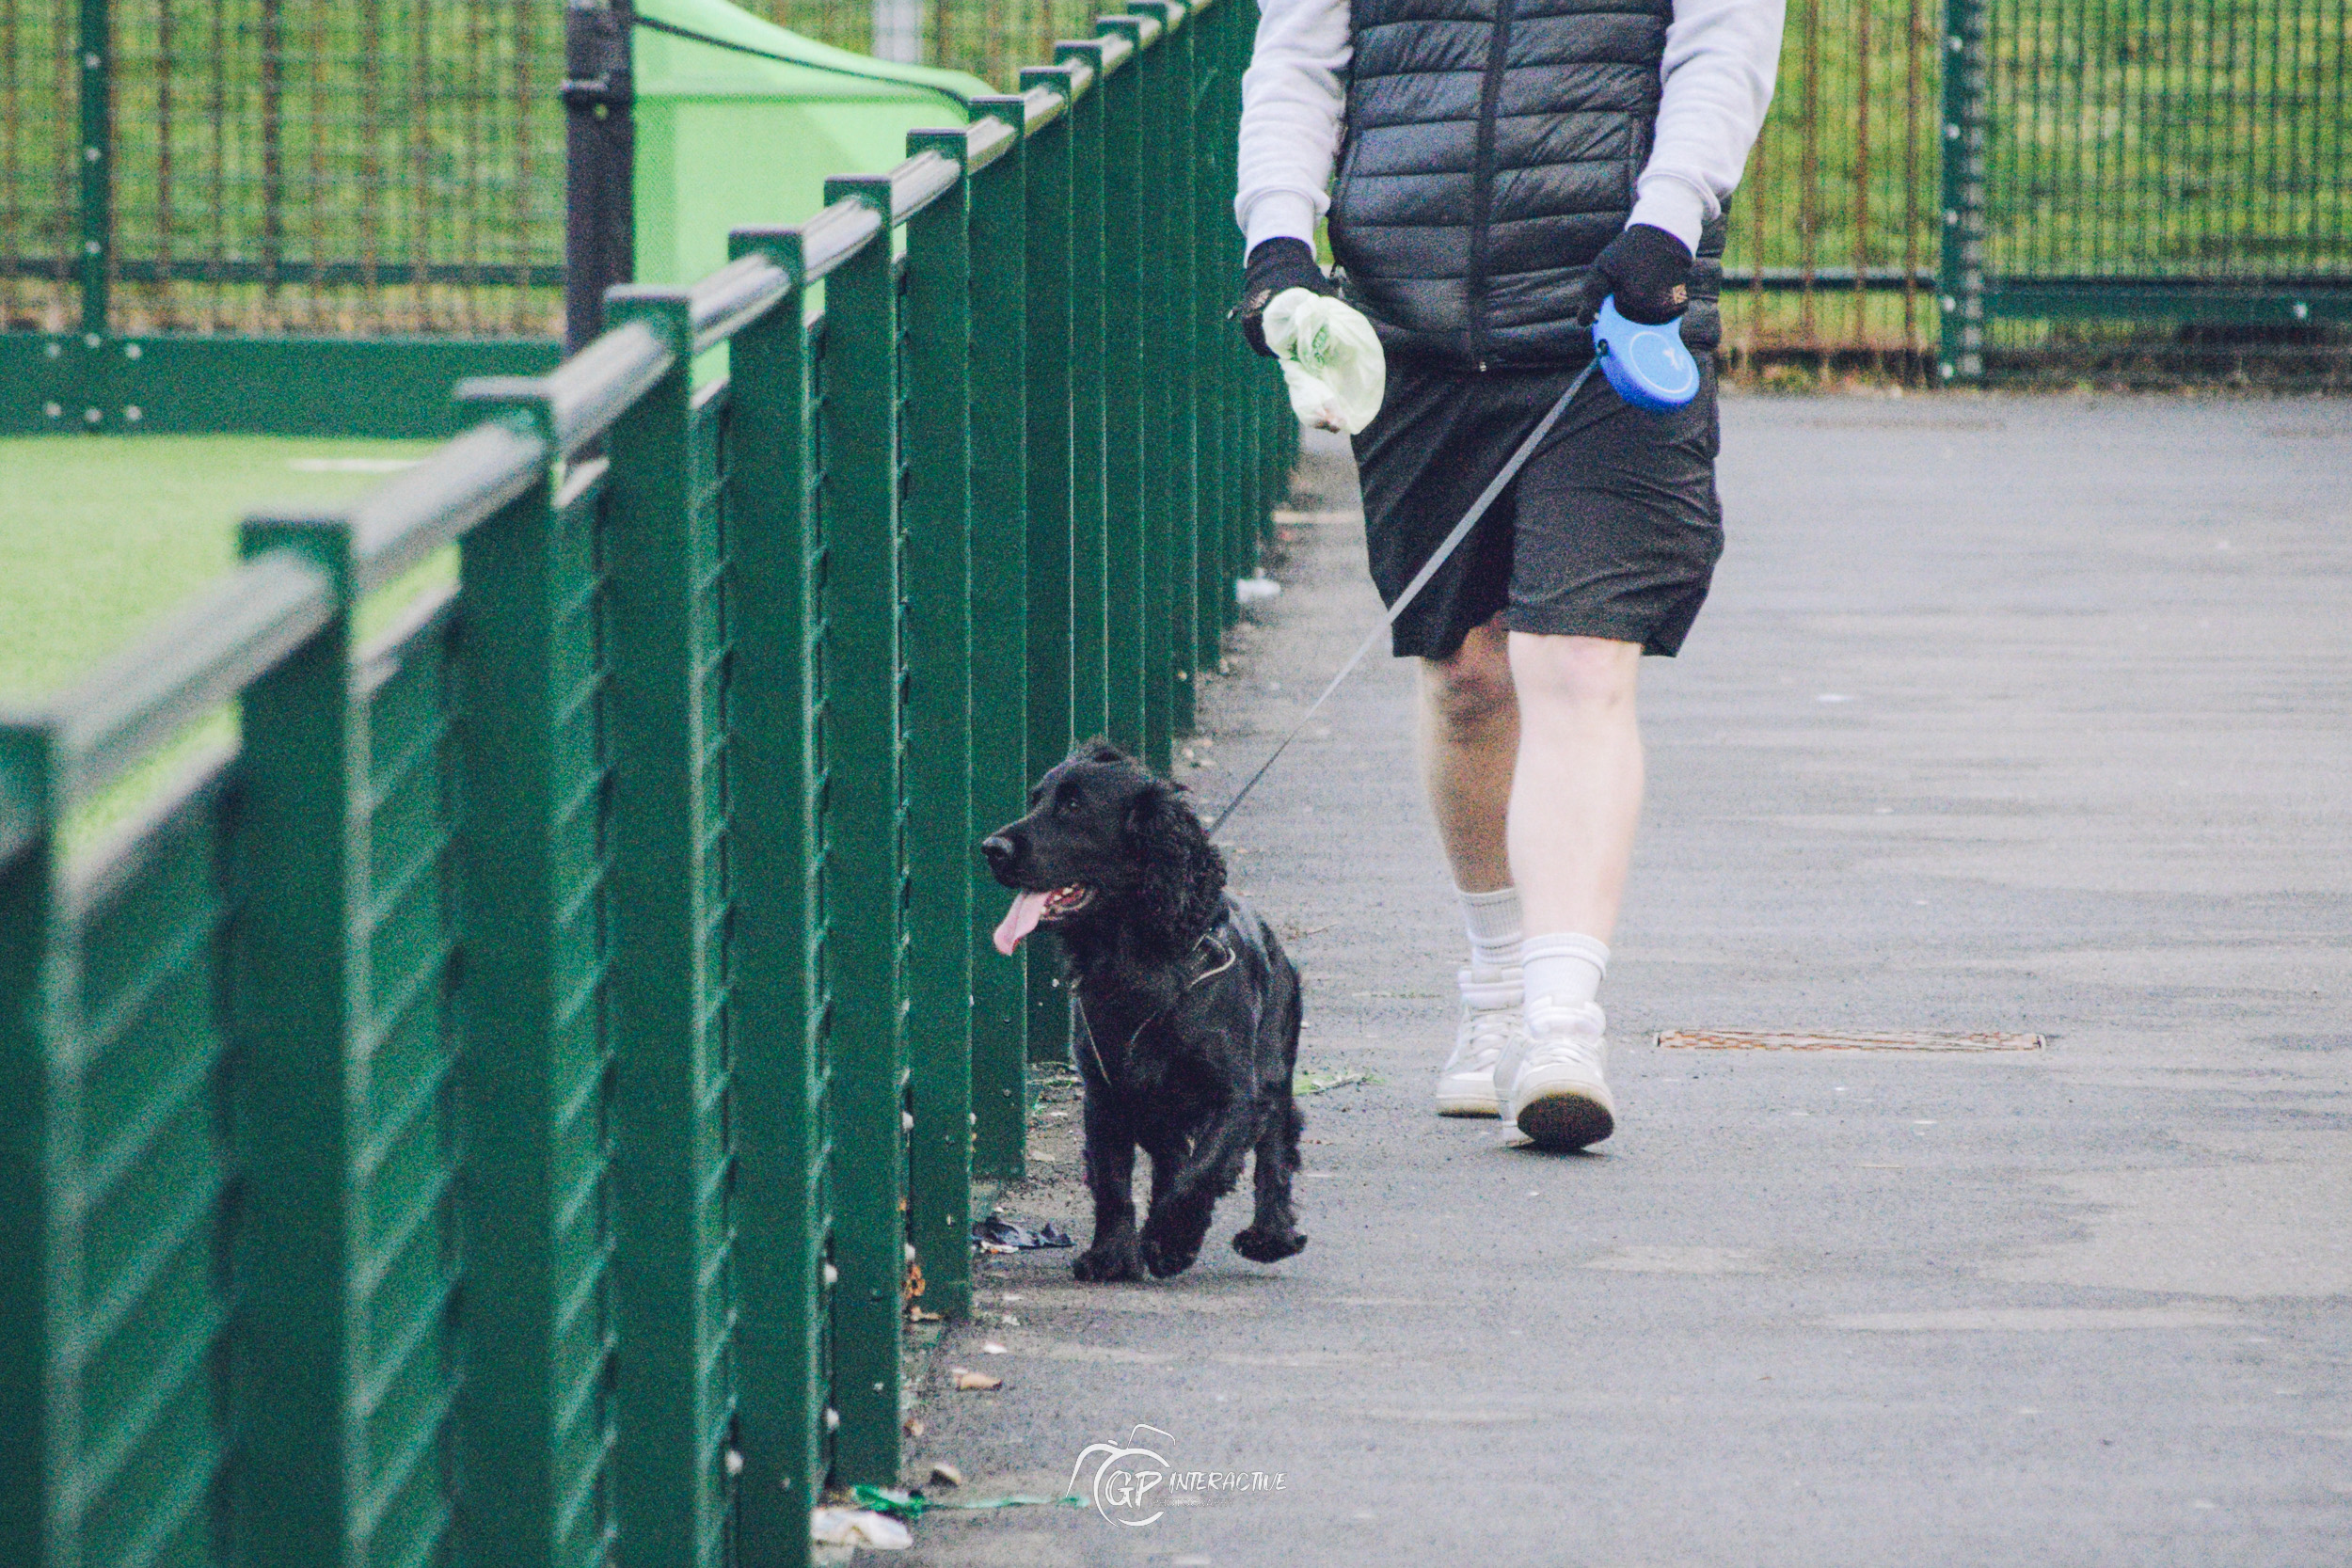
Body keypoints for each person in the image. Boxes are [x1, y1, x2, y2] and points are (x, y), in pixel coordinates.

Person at [1233, 0, 1785, 1148]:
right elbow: (1296, 59)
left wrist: (1669, 219)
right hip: (1413, 321)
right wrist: (1280, 241)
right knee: (1466, 675)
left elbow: (1721, 47)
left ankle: (1559, 1021)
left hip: (1611, 308)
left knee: (1577, 654)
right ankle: (1492, 992)